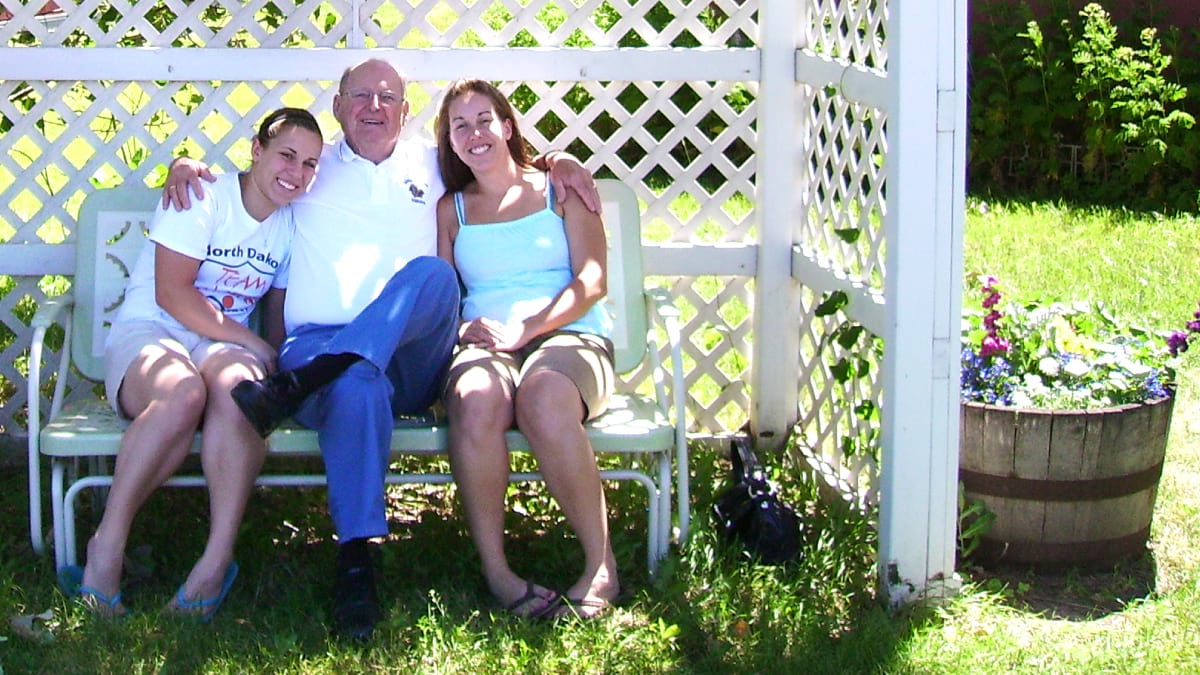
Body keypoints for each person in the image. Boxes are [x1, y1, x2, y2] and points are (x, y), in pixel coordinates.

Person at [163, 59, 601, 640]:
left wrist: (558, 159)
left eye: (387, 97)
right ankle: (356, 566)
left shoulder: (431, 162)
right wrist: (184, 164)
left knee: (433, 276)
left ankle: (322, 372)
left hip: (412, 354)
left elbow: (497, 159)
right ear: (340, 105)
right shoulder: (313, 168)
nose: (374, 107)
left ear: (405, 111)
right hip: (317, 345)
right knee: (357, 382)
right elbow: (254, 178)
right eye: (360, 96)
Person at [56, 107, 324, 620]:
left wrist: (266, 361)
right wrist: (250, 340)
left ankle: (214, 562)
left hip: (217, 345)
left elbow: (275, 319)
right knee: (181, 392)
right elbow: (173, 293)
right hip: (151, 332)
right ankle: (105, 552)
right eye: (287, 155)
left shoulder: (291, 225)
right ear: (256, 150)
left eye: (310, 164)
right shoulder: (202, 195)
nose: (297, 172)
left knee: (239, 392)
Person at [434, 79, 619, 619]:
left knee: (543, 398)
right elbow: (444, 290)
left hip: (571, 333)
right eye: (459, 125)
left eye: (484, 119)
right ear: (450, 142)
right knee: (475, 398)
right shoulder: (452, 210)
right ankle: (499, 574)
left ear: (508, 126)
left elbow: (593, 280)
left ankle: (600, 566)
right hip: (488, 339)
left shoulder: (558, 189)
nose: (474, 133)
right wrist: (460, 331)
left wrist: (530, 328)